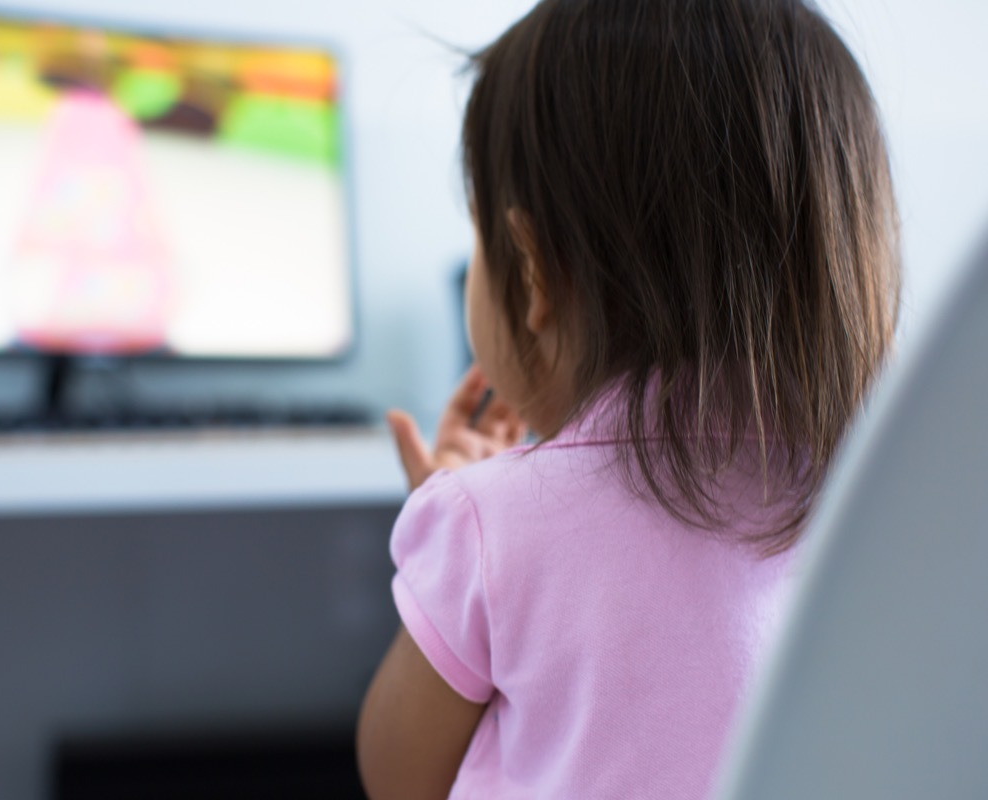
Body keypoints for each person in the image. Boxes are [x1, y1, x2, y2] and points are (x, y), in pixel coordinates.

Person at [356, 0, 901, 797]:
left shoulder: (485, 521)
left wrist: (455, 541)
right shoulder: (880, 508)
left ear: (533, 273)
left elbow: (399, 776)